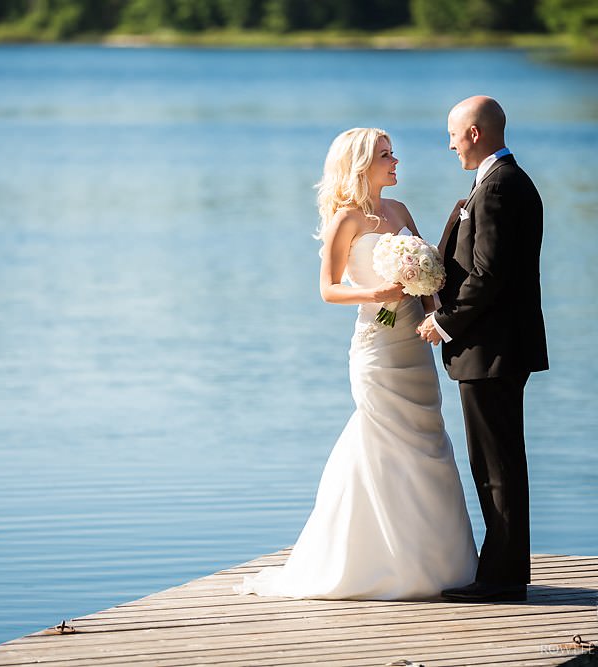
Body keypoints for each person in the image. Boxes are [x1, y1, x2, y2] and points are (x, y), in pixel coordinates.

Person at [235, 128, 477, 601]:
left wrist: (432, 313)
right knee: (385, 439)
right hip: (377, 348)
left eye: (393, 153)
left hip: (413, 344)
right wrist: (377, 293)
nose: (396, 161)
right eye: (386, 155)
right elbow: (328, 288)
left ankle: (440, 562)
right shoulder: (347, 219)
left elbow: (429, 274)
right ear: (362, 163)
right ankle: (376, 561)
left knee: (428, 440)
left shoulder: (401, 212)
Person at [418, 96, 549, 603]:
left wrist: (444, 322)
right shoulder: (500, 182)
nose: (449, 144)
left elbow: (489, 274)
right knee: (498, 464)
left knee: (496, 467)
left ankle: (501, 578)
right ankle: (504, 569)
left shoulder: (498, 188)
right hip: (496, 348)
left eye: (453, 134)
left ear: (474, 133)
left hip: (491, 349)